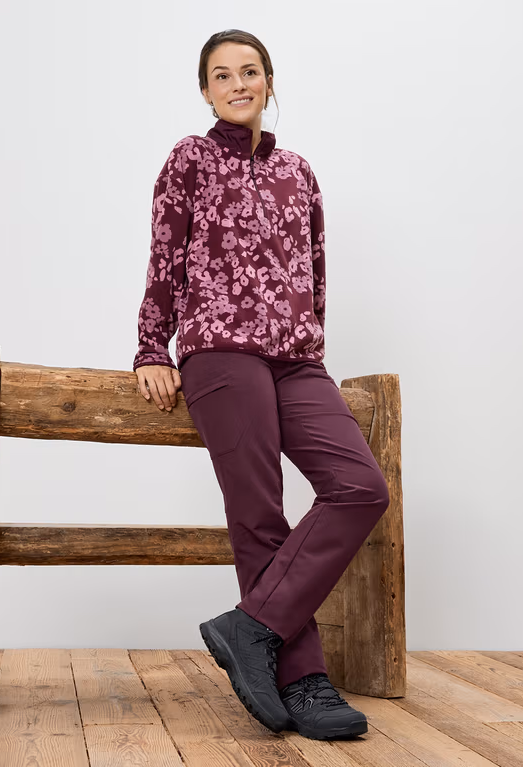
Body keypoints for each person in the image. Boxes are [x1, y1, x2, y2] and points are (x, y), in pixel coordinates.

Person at [132, 30, 390, 741]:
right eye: (222, 75)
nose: (238, 84)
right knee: (260, 512)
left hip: (296, 358)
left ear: (270, 82)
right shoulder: (190, 158)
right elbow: (165, 257)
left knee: (360, 486)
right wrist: (152, 346)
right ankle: (304, 679)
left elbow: (315, 269)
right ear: (206, 91)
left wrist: (311, 345)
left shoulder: (298, 171)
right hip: (220, 351)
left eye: (250, 72)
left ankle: (250, 628)